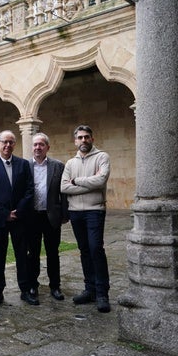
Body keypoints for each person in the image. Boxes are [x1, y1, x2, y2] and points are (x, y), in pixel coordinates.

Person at [61, 125, 111, 313]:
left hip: (94, 210)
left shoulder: (102, 157)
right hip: (75, 212)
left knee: (95, 249)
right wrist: (89, 182)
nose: (83, 140)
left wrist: (77, 181)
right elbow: (64, 187)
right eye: (80, 137)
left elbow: (101, 181)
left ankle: (102, 294)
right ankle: (89, 290)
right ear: (75, 140)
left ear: (92, 139)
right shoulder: (70, 163)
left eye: (86, 137)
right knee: (84, 250)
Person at [0, 130, 34, 306]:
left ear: (15, 144)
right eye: (4, 142)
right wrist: (5, 214)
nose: (7, 145)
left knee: (22, 255)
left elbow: (29, 190)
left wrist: (17, 212)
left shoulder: (23, 164)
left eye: (11, 142)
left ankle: (25, 290)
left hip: (20, 218)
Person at [28, 132, 68, 303]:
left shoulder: (58, 166)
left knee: (53, 253)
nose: (38, 147)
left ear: (47, 147)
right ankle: (32, 285)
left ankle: (55, 286)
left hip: (51, 216)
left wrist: (65, 214)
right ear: (32, 147)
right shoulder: (24, 166)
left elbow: (64, 192)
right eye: (35, 144)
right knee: (33, 253)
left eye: (41, 144)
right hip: (32, 217)